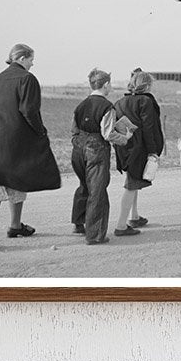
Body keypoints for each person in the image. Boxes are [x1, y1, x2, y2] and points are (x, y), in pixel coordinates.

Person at [0, 43, 60, 249]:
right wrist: (40, 131)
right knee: (18, 177)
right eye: (30, 59)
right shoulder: (27, 79)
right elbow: (29, 110)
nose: (32, 63)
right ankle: (13, 225)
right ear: (21, 58)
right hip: (15, 136)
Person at [112, 69, 164, 236]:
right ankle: (121, 225)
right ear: (147, 85)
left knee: (132, 181)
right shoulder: (146, 102)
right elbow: (149, 128)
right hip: (139, 148)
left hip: (125, 147)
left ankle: (134, 216)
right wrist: (152, 151)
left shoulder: (120, 102)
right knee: (132, 185)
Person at [70, 68, 115, 245]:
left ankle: (79, 222)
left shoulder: (80, 105)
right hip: (96, 148)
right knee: (97, 190)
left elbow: (73, 129)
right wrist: (125, 137)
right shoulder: (107, 106)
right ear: (105, 85)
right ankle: (95, 235)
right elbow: (108, 134)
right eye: (110, 83)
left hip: (78, 148)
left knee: (84, 184)